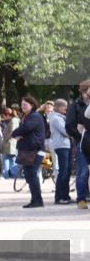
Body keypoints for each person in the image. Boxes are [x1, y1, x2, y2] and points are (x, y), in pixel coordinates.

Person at [13, 95, 46, 208]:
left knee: (32, 174)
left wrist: (15, 133)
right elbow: (23, 129)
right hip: (28, 150)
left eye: (25, 104)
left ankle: (38, 200)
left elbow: (25, 128)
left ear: (32, 105)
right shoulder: (27, 117)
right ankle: (35, 199)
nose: (23, 107)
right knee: (29, 175)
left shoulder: (35, 116)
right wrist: (17, 133)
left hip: (35, 151)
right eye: (22, 105)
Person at [66, 81, 90, 210]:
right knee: (83, 171)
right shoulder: (75, 106)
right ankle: (81, 198)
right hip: (83, 142)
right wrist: (81, 138)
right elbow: (70, 126)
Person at [48, 98, 73, 205]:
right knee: (63, 172)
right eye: (64, 107)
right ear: (59, 107)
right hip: (61, 146)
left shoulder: (60, 118)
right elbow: (66, 131)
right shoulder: (56, 119)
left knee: (67, 171)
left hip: (65, 145)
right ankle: (59, 197)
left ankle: (65, 195)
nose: (66, 109)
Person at [1, 107, 19, 180]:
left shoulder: (13, 120)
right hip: (12, 143)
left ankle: (6, 175)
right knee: (11, 160)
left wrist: (6, 139)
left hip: (10, 143)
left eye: (4, 116)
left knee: (6, 159)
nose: (4, 118)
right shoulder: (14, 120)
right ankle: (12, 175)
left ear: (8, 115)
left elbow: (12, 131)